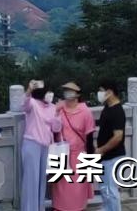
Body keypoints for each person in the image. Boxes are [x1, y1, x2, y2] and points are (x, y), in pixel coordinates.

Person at [51, 82, 95, 211]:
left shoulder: (85, 111)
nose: (67, 93)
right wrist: (56, 111)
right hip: (61, 153)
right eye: (65, 90)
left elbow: (89, 137)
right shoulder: (59, 108)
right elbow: (53, 129)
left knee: (77, 188)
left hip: (78, 156)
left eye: (70, 91)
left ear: (77, 94)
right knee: (60, 190)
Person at [20, 80, 59, 211]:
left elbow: (56, 128)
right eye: (47, 91)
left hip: (46, 146)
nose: (50, 94)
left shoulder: (53, 107)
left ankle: (39, 208)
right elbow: (23, 104)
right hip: (32, 144)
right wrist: (29, 90)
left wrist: (58, 114)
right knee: (31, 180)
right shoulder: (32, 103)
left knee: (42, 180)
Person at [94, 80, 127, 211]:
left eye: (101, 90)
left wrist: (102, 149)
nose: (99, 94)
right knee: (104, 187)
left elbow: (118, 136)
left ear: (110, 92)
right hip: (104, 156)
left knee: (111, 189)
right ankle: (107, 208)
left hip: (113, 156)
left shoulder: (117, 111)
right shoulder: (108, 107)